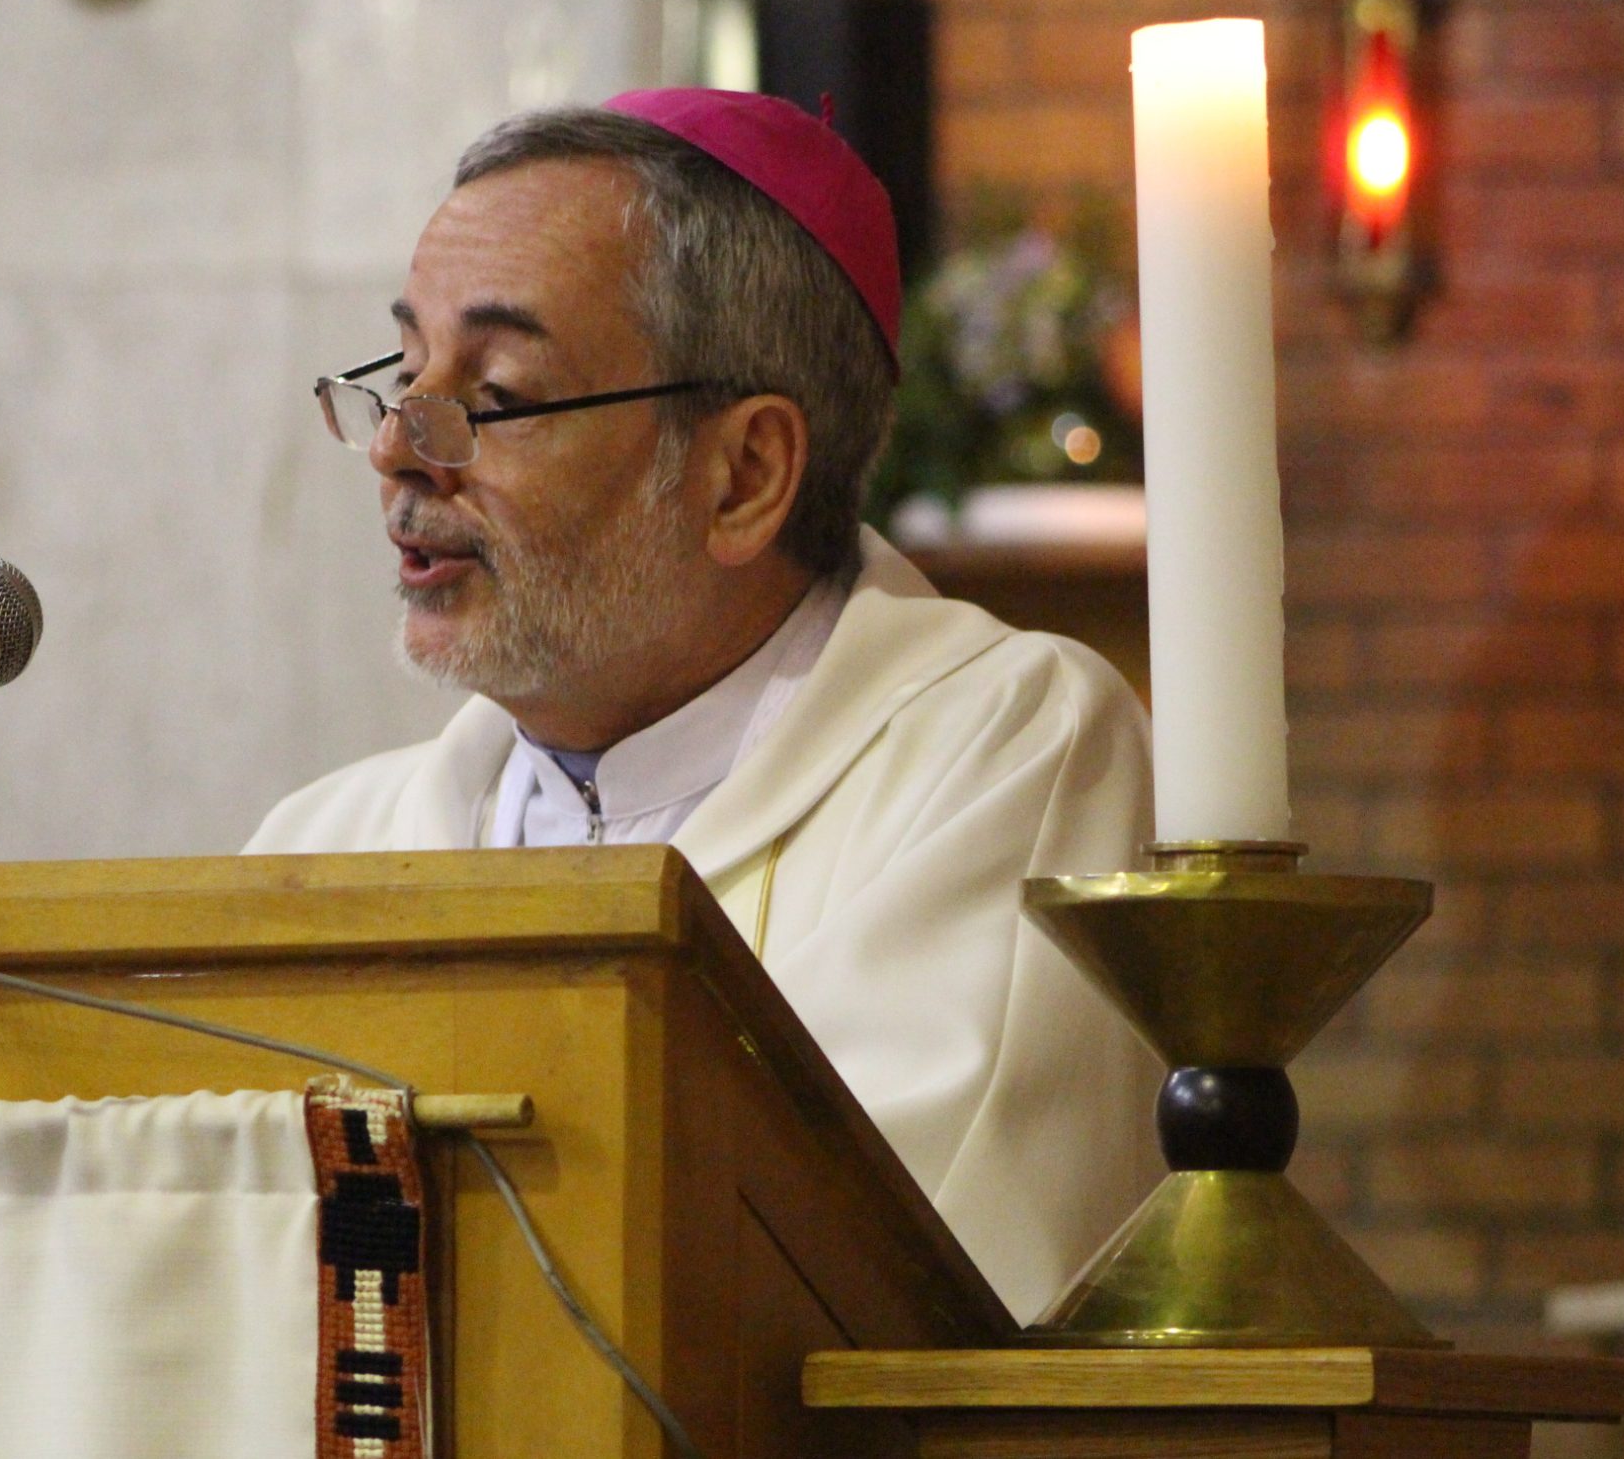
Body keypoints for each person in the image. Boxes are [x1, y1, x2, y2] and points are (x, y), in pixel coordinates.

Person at [244, 88, 1163, 1323]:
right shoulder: (320, 853)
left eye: (498, 397)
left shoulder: (1001, 756)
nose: (398, 447)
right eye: (403, 372)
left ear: (743, 474)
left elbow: (857, 1299)